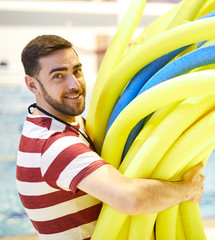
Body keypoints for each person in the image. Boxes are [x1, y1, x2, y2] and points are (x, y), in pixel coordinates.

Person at [17, 34, 205, 240]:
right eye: (58, 76)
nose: (74, 84)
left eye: (76, 71)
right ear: (32, 85)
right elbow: (132, 199)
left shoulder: (55, 122)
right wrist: (187, 190)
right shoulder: (55, 145)